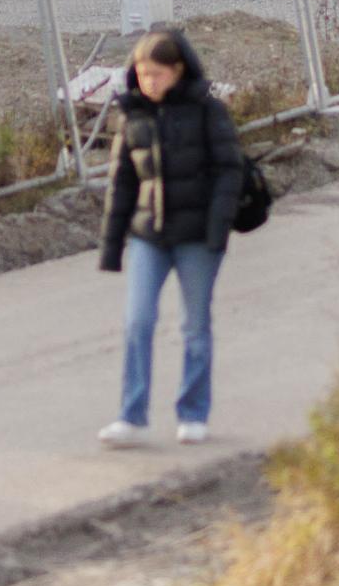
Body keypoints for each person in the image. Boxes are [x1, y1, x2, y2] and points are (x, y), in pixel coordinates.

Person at [96, 24, 246, 447]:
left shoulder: (208, 111)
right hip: (150, 236)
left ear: (178, 71)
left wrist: (217, 229)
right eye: (143, 74)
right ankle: (132, 416)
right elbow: (122, 181)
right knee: (137, 321)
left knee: (194, 326)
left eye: (157, 74)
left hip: (198, 237)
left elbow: (229, 170)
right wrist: (111, 246)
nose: (149, 82)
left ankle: (193, 413)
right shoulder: (133, 114)